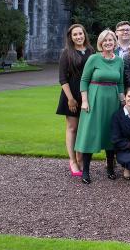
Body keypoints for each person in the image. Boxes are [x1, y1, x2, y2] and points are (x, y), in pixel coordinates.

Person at [76, 29, 125, 184]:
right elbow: (84, 80)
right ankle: (86, 171)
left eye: (111, 40)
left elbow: (120, 83)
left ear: (115, 42)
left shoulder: (119, 61)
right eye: (105, 40)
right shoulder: (94, 58)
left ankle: (110, 168)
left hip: (113, 100)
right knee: (91, 133)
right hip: (94, 99)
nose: (108, 43)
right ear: (100, 43)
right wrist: (84, 101)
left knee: (110, 132)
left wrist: (123, 100)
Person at [56, 24, 95, 177]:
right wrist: (70, 99)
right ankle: (72, 161)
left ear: (85, 34)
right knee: (72, 128)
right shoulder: (66, 53)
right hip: (71, 94)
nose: (78, 37)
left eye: (80, 34)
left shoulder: (91, 51)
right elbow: (62, 78)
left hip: (88, 95)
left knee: (84, 128)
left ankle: (80, 158)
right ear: (71, 37)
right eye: (75, 35)